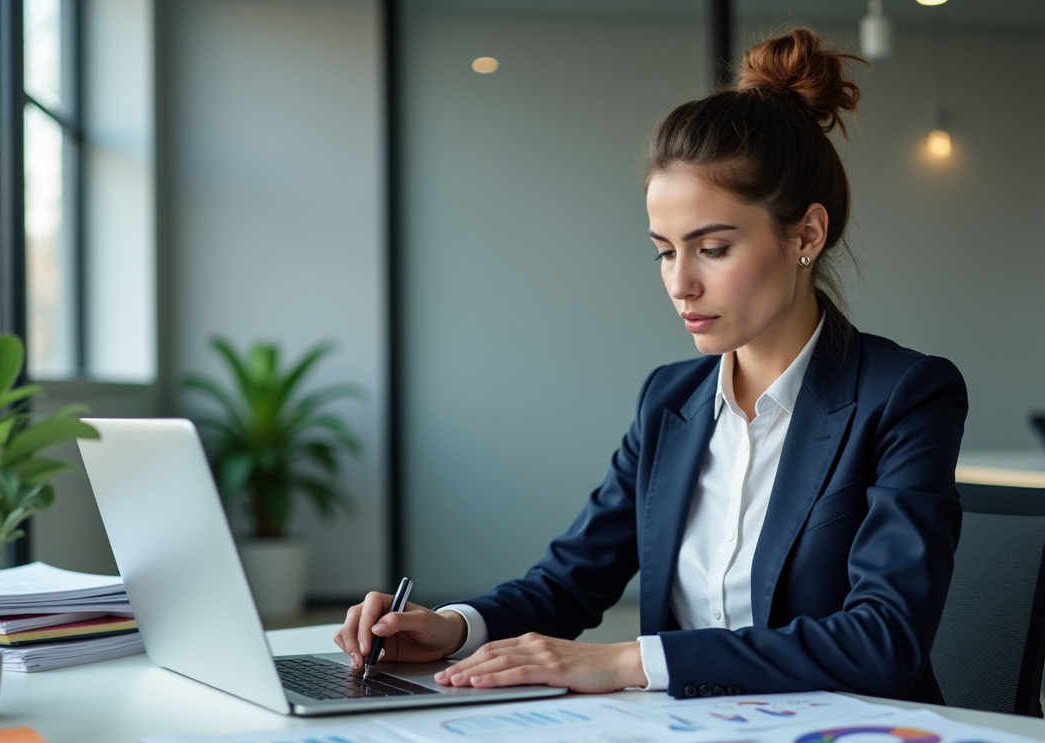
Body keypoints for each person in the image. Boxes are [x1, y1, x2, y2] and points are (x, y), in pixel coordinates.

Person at [335, 27, 967, 703]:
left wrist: (630, 661)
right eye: (665, 251)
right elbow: (571, 579)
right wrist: (453, 626)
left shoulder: (903, 394)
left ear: (806, 234)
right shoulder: (670, 401)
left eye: (713, 248)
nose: (680, 283)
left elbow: (885, 640)